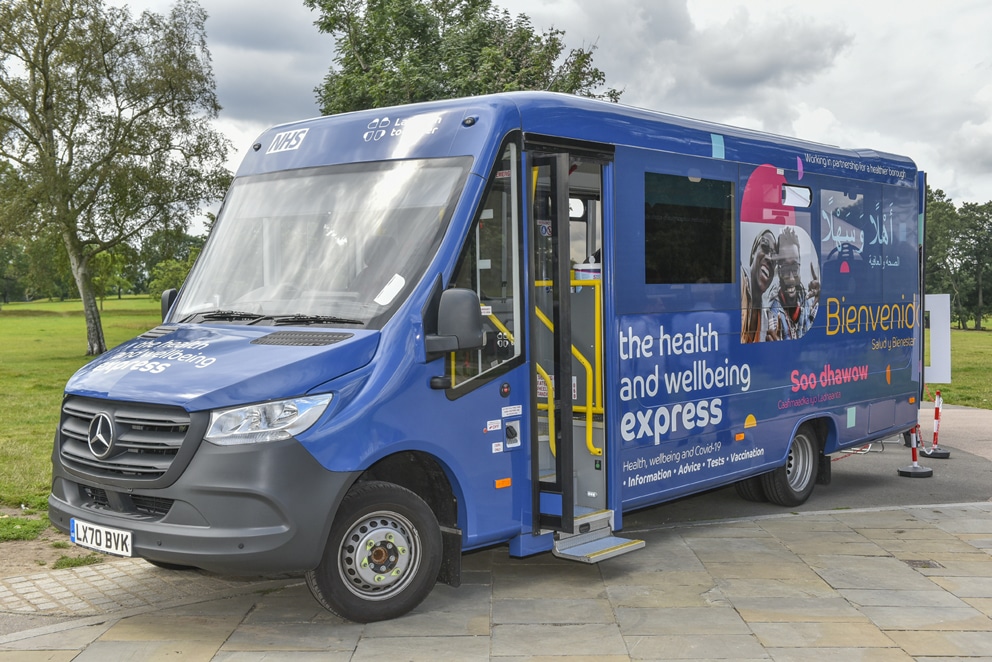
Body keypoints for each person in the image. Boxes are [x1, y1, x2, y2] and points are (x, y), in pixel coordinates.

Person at [767, 226, 818, 340]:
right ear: (779, 272)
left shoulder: (812, 303)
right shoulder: (772, 312)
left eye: (794, 268)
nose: (790, 278)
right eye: (785, 269)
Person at [741, 229, 776, 343]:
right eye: (765, 247)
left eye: (775, 257)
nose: (770, 258)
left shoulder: (766, 320)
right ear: (753, 253)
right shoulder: (740, 281)